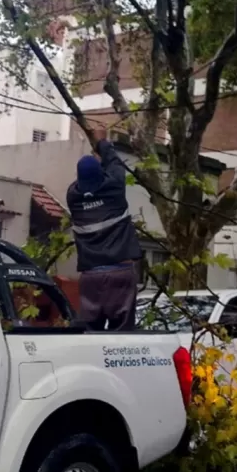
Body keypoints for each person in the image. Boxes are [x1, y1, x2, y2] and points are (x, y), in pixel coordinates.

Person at [66, 137, 142, 331]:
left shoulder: (73, 197)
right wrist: (101, 142)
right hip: (120, 273)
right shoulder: (115, 187)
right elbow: (114, 162)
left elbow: (87, 182)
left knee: (91, 333)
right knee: (121, 333)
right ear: (102, 174)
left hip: (91, 277)